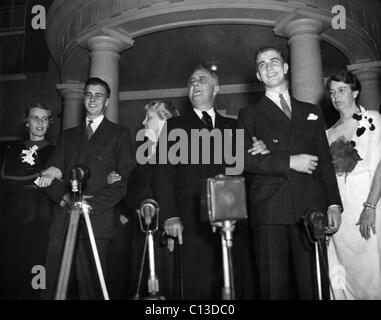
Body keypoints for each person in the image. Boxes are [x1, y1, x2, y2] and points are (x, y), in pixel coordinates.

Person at [237, 46, 342, 299]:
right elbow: (242, 159)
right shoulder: (248, 115)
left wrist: (334, 204)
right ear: (259, 76)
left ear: (285, 68)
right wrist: (290, 161)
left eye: (274, 61)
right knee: (274, 289)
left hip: (310, 208)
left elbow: (325, 162)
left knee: (313, 286)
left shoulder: (311, 111)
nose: (269, 66)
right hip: (270, 209)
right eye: (262, 64)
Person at [153, 66, 264, 299]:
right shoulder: (174, 127)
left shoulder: (234, 127)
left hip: (231, 220)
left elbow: (249, 172)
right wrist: (170, 216)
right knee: (194, 286)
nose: (195, 84)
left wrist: (260, 152)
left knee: (230, 282)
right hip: (190, 222)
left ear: (216, 89)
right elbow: (163, 175)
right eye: (191, 81)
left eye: (201, 80)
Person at [37, 77, 135, 299]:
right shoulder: (67, 136)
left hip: (95, 220)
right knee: (51, 285)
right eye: (88, 94)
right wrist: (65, 197)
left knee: (91, 288)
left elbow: (123, 182)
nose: (92, 99)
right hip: (63, 217)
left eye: (98, 95)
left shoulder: (120, 134)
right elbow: (51, 174)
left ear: (107, 101)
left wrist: (90, 204)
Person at [106, 100, 180, 299]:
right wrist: (120, 182)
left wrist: (171, 230)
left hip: (164, 233)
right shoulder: (144, 154)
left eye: (149, 117)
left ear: (166, 120)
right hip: (141, 231)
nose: (143, 122)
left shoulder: (180, 152)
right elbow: (137, 191)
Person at [326, 70, 381, 299]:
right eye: (331, 92)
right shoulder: (327, 133)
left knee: (372, 269)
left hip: (370, 201)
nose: (336, 96)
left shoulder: (373, 120)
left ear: (355, 92)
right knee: (345, 271)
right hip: (343, 209)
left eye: (341, 90)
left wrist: (370, 207)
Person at [0, 102, 55, 299]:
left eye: (44, 119)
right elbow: (6, 180)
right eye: (34, 118)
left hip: (42, 219)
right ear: (27, 122)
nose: (40, 123)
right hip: (13, 219)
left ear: (49, 123)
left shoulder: (56, 151)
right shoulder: (10, 150)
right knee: (12, 271)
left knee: (38, 270)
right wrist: (42, 174)